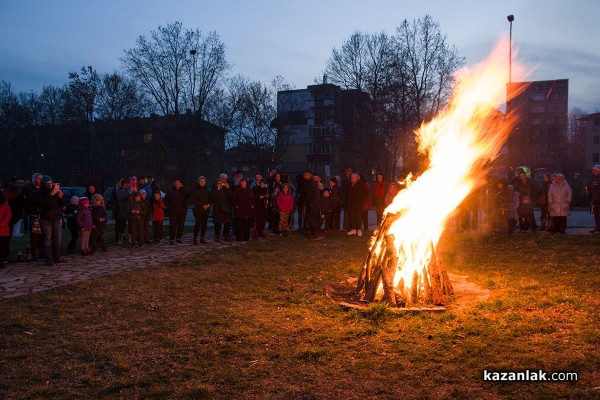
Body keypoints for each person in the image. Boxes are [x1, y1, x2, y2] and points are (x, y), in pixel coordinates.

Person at [39, 176, 66, 266]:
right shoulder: (41, 192)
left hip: (56, 217)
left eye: (51, 183)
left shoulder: (55, 193)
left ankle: (58, 257)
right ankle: (49, 258)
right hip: (46, 218)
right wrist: (51, 194)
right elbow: (41, 203)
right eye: (47, 183)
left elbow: (63, 205)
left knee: (57, 239)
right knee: (47, 239)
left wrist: (61, 197)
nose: (49, 185)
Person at [23, 173, 43, 260]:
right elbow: (32, 201)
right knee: (34, 236)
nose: (40, 180)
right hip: (33, 214)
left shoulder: (43, 189)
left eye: (41, 178)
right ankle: (34, 254)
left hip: (43, 215)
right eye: (38, 178)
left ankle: (42, 254)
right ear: (34, 179)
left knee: (43, 236)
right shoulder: (29, 189)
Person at [164, 178, 189, 245]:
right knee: (172, 225)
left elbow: (188, 195)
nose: (176, 183)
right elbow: (166, 200)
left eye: (178, 182)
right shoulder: (170, 191)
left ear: (181, 183)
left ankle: (178, 238)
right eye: (175, 182)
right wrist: (169, 208)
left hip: (182, 211)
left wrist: (183, 189)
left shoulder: (183, 191)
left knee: (181, 225)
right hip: (173, 211)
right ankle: (172, 239)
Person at [301, 170, 324, 240]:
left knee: (314, 219)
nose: (305, 176)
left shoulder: (312, 182)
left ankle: (315, 234)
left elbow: (315, 193)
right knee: (312, 219)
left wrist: (314, 203)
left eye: (307, 174)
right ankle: (313, 234)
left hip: (313, 204)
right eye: (304, 175)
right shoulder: (307, 182)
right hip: (311, 203)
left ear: (310, 175)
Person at [191, 176, 211, 245]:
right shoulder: (195, 190)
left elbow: (209, 198)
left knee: (204, 225)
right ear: (198, 181)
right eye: (201, 181)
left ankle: (202, 238)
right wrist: (202, 206)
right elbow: (194, 200)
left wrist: (209, 204)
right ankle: (195, 238)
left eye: (204, 181)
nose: (202, 182)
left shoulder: (207, 190)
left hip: (206, 210)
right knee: (198, 224)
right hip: (198, 210)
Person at [115, 178, 133, 244]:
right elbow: (121, 197)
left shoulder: (129, 190)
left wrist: (133, 191)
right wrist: (129, 193)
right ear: (122, 185)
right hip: (123, 210)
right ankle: (120, 239)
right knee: (121, 225)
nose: (126, 185)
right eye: (125, 184)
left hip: (130, 210)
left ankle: (130, 238)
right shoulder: (119, 191)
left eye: (127, 184)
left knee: (131, 225)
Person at [586, 165, 600, 235]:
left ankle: (599, 229)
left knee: (598, 215)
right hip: (593, 199)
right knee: (595, 214)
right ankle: (597, 227)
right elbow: (589, 186)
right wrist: (587, 188)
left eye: (593, 170)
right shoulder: (593, 178)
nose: (592, 171)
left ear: (597, 171)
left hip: (598, 200)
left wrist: (597, 197)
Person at [0, 191, 12, 269]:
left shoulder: (4, 204)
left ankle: (2, 260)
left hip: (2, 229)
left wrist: (1, 224)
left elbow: (8, 215)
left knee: (2, 246)